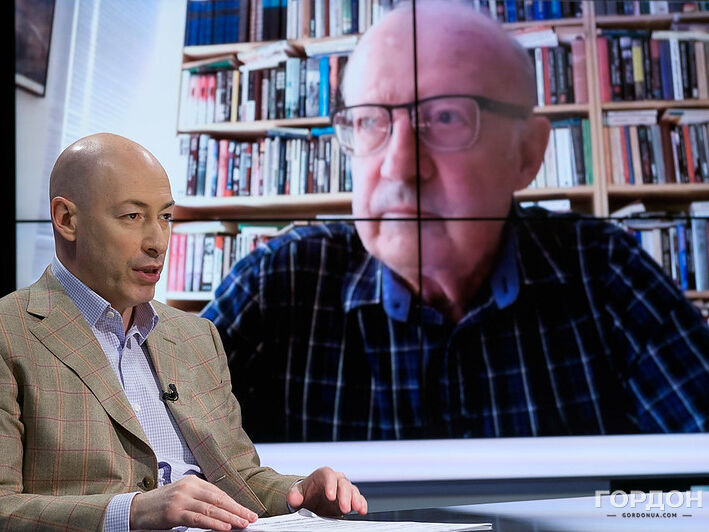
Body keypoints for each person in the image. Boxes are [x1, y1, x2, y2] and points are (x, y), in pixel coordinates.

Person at [201, 1, 709, 442]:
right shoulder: (278, 284)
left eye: (446, 117)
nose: (399, 166)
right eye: (371, 121)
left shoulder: (605, 273)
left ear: (527, 154)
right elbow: (158, 460)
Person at [0, 133, 367, 531]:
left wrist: (298, 492)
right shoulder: (9, 332)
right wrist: (134, 512)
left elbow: (240, 478)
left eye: (165, 217)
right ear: (67, 219)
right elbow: (4, 506)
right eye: (132, 217)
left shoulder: (197, 336)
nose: (158, 243)